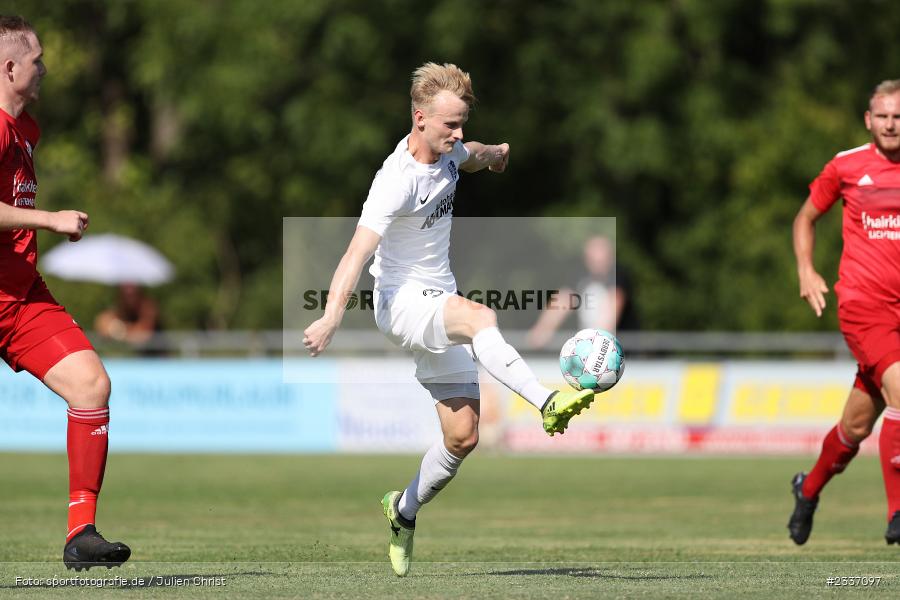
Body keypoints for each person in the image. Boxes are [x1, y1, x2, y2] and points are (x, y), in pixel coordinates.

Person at [303, 62, 595, 576]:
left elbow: (472, 155)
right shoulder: (394, 182)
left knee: (463, 436)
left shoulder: (449, 152)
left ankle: (402, 510)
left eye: (462, 123)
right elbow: (354, 255)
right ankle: (547, 402)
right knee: (480, 316)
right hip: (400, 303)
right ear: (420, 118)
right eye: (450, 125)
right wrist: (330, 317)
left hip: (437, 299)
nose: (458, 133)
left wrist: (496, 154)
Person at [0, 16, 130, 569]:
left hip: (20, 296)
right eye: (37, 61)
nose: (45, 69)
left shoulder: (25, 129)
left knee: (90, 384)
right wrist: (49, 219)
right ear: (10, 68)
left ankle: (82, 533)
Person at [788, 79, 900, 546]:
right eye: (883, 116)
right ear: (869, 120)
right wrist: (806, 270)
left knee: (855, 427)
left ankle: (808, 488)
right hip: (864, 306)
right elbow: (805, 217)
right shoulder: (847, 166)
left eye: (898, 117)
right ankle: (898, 513)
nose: (891, 125)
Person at [527, 234, 638, 349]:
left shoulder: (618, 277)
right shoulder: (580, 277)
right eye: (592, 259)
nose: (597, 264)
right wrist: (542, 331)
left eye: (601, 259)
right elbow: (563, 300)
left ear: (610, 258)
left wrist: (597, 343)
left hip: (622, 351)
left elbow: (613, 305)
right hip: (590, 349)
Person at [95, 282, 162, 351]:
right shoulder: (118, 309)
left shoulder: (149, 308)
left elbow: (143, 335)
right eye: (126, 287)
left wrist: (118, 331)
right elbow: (102, 324)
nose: (129, 291)